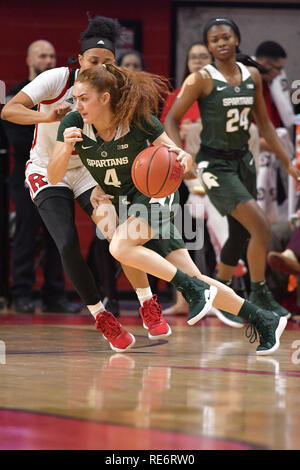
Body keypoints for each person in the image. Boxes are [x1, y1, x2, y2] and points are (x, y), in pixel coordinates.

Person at [49, 63, 289, 355]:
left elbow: (175, 153)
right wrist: (63, 149)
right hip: (125, 203)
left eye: (83, 98)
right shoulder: (74, 123)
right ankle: (263, 319)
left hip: (155, 197)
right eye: (75, 98)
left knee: (119, 246)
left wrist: (183, 159)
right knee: (194, 275)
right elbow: (53, 176)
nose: (77, 104)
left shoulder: (137, 120)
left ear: (105, 98)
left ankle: (190, 290)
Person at [1, 16, 171, 352]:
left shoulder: (118, 89)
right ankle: (102, 315)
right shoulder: (57, 80)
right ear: (80, 61)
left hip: (88, 171)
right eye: (93, 61)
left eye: (108, 63)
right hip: (48, 167)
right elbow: (9, 109)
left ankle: (147, 302)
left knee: (117, 231)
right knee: (66, 243)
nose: (101, 68)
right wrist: (45, 116)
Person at [164, 17, 300, 320]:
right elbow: (171, 118)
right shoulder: (201, 78)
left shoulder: (252, 75)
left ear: (236, 39)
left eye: (226, 37)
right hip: (215, 165)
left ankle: (221, 293)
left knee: (240, 235)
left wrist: (289, 163)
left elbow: (264, 125)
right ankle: (258, 292)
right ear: (210, 46)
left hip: (244, 161)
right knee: (261, 226)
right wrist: (181, 155)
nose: (221, 43)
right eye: (215, 40)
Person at [2, 40, 80, 314]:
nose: (47, 60)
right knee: (26, 232)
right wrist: (47, 122)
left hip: (60, 170)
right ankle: (22, 293)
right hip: (27, 170)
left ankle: (55, 295)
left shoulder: (67, 91)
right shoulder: (15, 94)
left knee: (59, 234)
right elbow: (19, 139)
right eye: (41, 55)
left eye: (51, 55)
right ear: (28, 59)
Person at [160, 42, 212, 316]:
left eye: (204, 57)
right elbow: (163, 132)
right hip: (183, 174)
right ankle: (183, 299)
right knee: (185, 236)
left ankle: (217, 297)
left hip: (215, 171)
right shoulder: (176, 96)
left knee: (214, 239)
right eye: (194, 57)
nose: (198, 61)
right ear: (187, 62)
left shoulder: (217, 93)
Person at [255, 41, 295, 224]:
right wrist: (261, 144)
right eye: (278, 68)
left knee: (272, 219)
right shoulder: (247, 86)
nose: (281, 73)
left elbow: (276, 128)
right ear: (263, 63)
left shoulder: (273, 89)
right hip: (251, 160)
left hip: (273, 160)